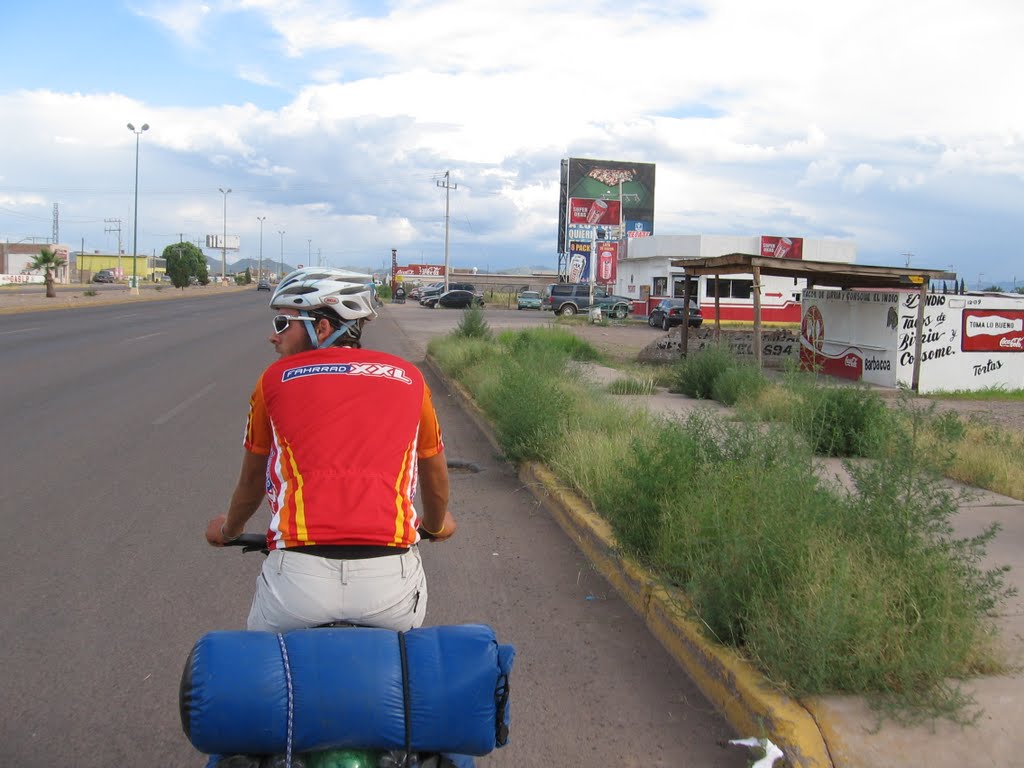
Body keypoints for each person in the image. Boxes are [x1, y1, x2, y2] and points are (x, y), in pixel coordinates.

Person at [205, 267, 456, 633]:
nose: (271, 337)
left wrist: (228, 530)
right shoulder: (410, 378)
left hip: (296, 587)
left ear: (321, 328)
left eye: (281, 324)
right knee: (403, 673)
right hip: (389, 587)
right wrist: (435, 525)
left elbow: (252, 482)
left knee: (262, 671)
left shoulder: (272, 381)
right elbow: (435, 476)